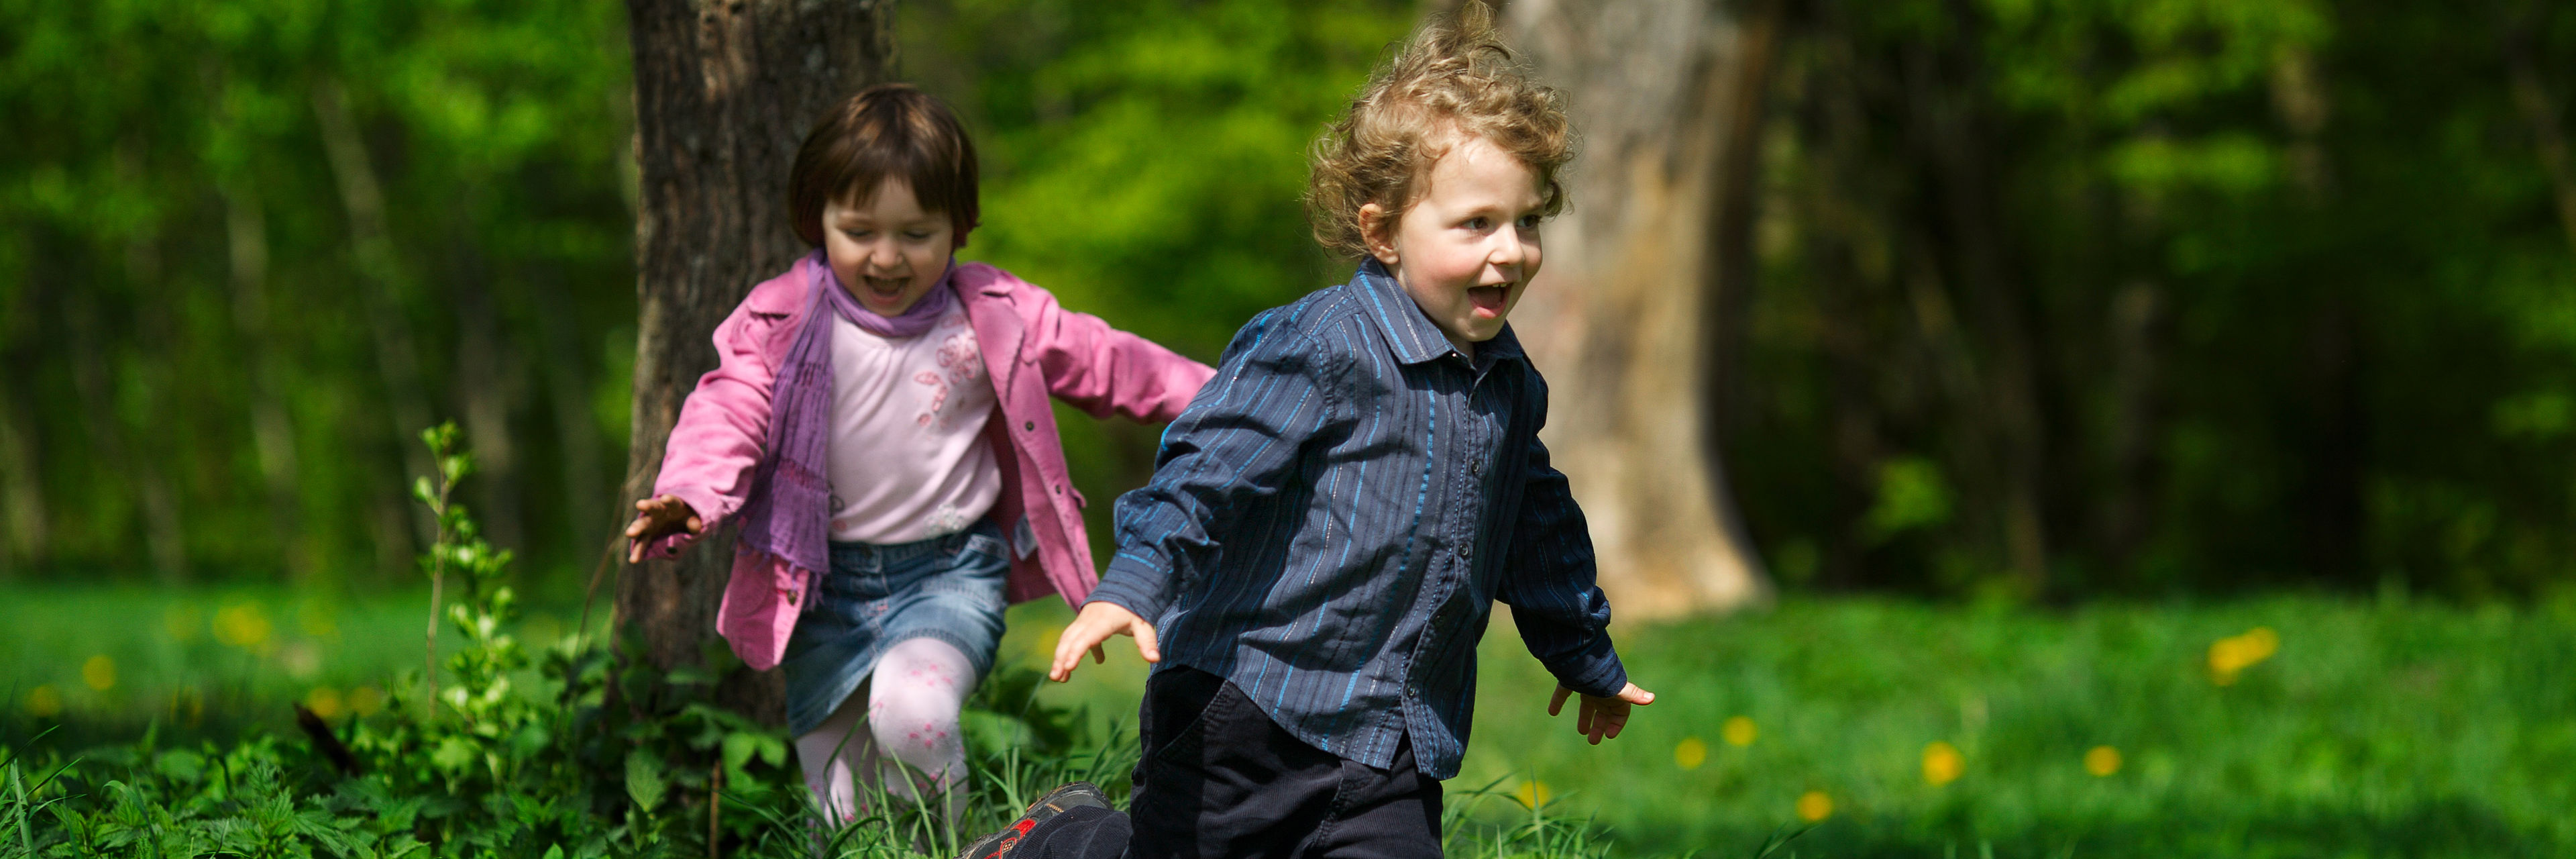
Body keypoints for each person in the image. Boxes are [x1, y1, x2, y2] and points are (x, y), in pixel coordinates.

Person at [963, 4, 1653, 857]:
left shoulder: (1510, 384)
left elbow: (1537, 527)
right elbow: (1202, 474)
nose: (1509, 251)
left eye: (1528, 221)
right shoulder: (1319, 345)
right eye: (1476, 224)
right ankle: (1054, 838)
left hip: (1393, 741)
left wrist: (1583, 651)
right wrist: (1132, 584)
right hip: (1244, 711)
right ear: (1382, 232)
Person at [623, 84, 1214, 830]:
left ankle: (952, 848)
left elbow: (1112, 364)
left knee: (914, 713)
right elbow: (728, 407)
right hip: (822, 583)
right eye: (859, 229)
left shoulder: (993, 313)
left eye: (916, 233)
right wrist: (691, 496)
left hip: (948, 571)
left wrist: (1232, 395)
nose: (886, 257)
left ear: (958, 228)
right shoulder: (781, 318)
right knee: (837, 812)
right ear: (819, 220)